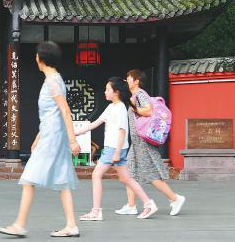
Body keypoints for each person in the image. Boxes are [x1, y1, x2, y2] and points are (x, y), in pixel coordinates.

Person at [0, 41, 81, 238]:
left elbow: (65, 111)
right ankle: (71, 225)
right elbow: (52, 114)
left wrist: (72, 140)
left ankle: (19, 224)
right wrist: (38, 137)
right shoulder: (54, 79)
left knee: (29, 178)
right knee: (62, 180)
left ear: (41, 59)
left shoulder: (52, 82)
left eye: (36, 55)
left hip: (53, 137)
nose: (35, 58)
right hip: (51, 134)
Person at [76, 77, 158, 221]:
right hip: (115, 148)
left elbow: (122, 131)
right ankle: (149, 204)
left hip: (114, 148)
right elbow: (96, 123)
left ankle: (96, 211)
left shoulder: (119, 108)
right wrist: (76, 132)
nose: (105, 92)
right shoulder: (112, 107)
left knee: (96, 175)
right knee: (126, 178)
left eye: (107, 89)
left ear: (116, 92)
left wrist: (117, 152)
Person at [116, 69, 186, 216]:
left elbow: (148, 111)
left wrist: (133, 106)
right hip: (136, 143)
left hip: (143, 142)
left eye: (128, 78)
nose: (126, 80)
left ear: (136, 81)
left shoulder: (140, 94)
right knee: (130, 172)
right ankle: (131, 205)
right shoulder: (134, 96)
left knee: (151, 174)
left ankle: (175, 199)